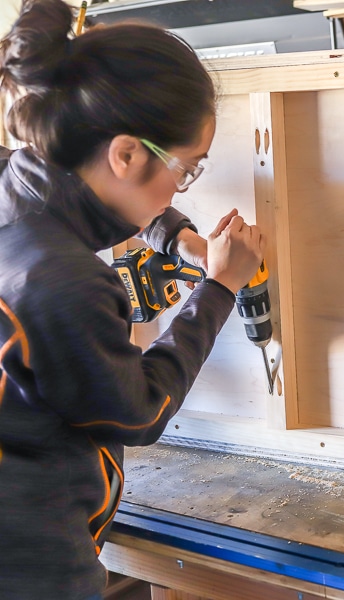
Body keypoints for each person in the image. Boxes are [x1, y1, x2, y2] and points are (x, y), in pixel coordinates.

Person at [0, 1, 265, 598]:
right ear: (126, 154)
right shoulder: (62, 280)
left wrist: (177, 235)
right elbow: (137, 412)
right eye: (187, 169)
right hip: (28, 562)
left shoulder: (18, 178)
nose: (183, 184)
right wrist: (220, 287)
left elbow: (89, 191)